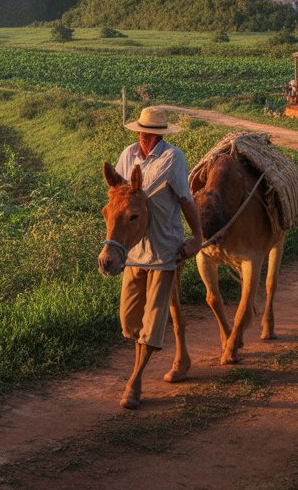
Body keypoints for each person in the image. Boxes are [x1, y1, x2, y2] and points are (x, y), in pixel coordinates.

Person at [112, 106, 205, 408]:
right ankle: (141, 365)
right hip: (133, 252)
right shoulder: (128, 155)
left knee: (152, 323)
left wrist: (197, 239)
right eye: (142, 131)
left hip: (164, 251)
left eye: (150, 133)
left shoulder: (173, 158)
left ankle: (135, 381)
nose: (144, 137)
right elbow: (118, 198)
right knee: (129, 321)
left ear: (160, 135)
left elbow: (186, 200)